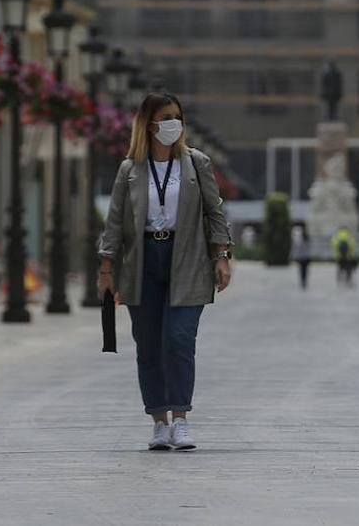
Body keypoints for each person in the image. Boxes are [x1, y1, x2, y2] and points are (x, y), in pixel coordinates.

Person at [97, 92, 234, 452]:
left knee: (178, 339)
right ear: (148, 124)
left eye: (178, 116)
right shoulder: (130, 169)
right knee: (149, 345)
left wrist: (221, 254)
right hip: (142, 260)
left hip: (187, 257)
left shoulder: (196, 163)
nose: (174, 123)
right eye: (165, 117)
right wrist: (106, 268)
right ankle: (159, 421)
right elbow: (114, 221)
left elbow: (214, 211)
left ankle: (182, 419)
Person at [291, 224, 312, 289]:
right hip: (306, 256)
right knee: (305, 270)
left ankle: (303, 282)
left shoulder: (299, 239)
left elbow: (296, 247)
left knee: (301, 270)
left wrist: (293, 256)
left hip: (301, 257)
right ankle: (304, 281)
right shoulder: (307, 238)